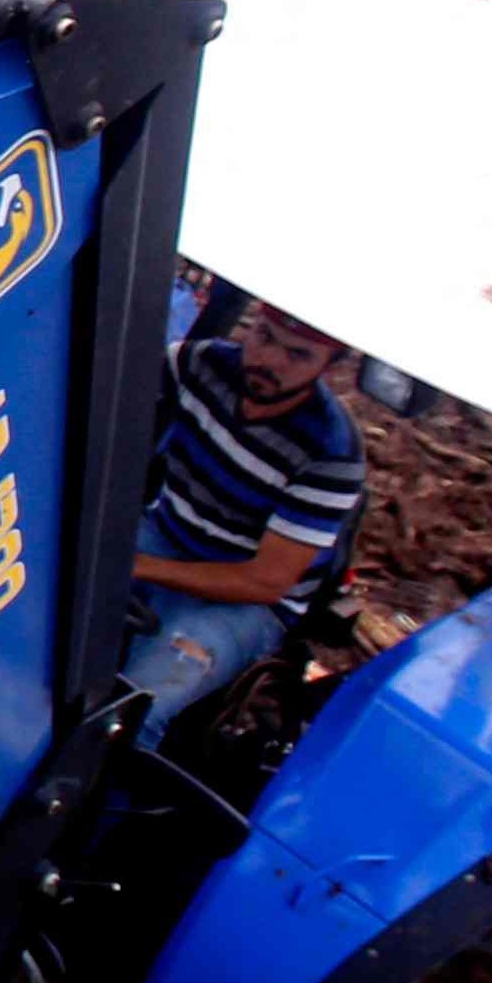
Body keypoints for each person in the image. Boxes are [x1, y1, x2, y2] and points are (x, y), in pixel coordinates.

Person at [118, 294, 363, 727]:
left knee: (136, 708)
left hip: (246, 601)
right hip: (167, 532)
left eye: (298, 355)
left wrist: (139, 566)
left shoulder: (332, 452)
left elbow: (264, 582)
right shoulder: (196, 365)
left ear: (328, 366)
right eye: (264, 336)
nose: (270, 360)